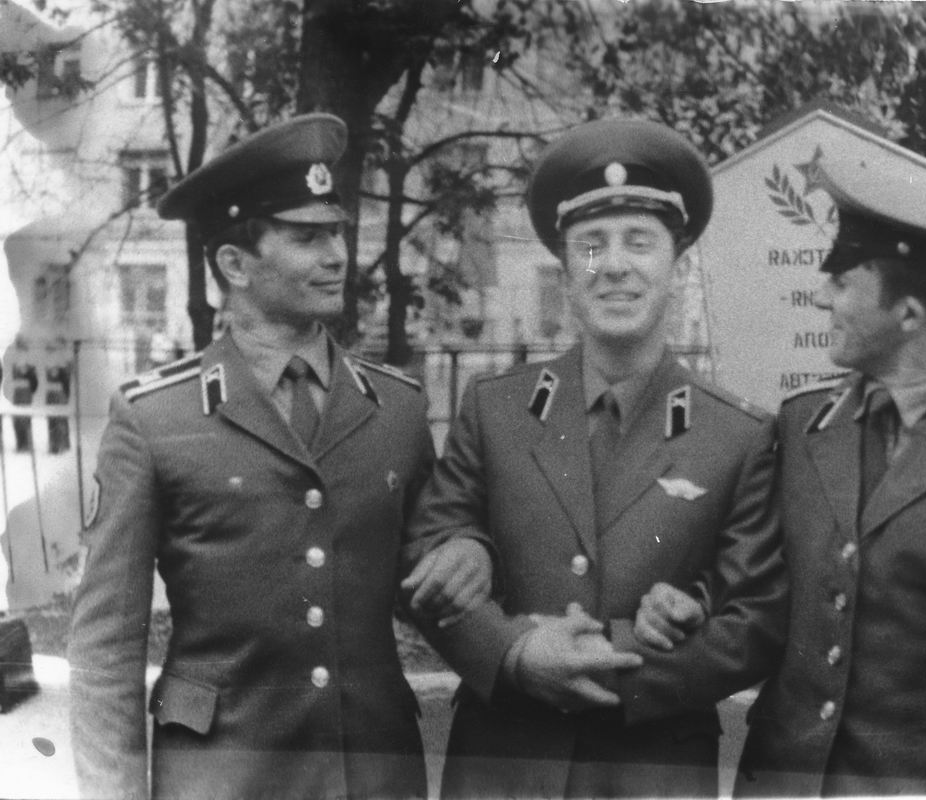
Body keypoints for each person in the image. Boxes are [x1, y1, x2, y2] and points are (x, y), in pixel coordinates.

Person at [638, 153, 926, 796]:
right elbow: (765, 581)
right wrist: (698, 603)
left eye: (843, 282)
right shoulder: (805, 425)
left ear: (907, 314)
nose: (821, 296)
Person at [400, 118, 787, 798]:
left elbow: (754, 617)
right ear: (565, 270)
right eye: (590, 245)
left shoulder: (737, 434)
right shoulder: (495, 408)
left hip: (649, 773)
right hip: (502, 769)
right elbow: (431, 551)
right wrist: (515, 653)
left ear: (679, 268)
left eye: (639, 242)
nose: (612, 265)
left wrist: (613, 663)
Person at [68, 114, 437, 800]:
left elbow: (435, 585)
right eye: (307, 237)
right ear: (235, 265)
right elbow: (105, 648)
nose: (337, 255)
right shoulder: (155, 419)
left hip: (374, 776)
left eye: (336, 233)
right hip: (221, 778)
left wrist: (510, 637)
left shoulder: (399, 410)